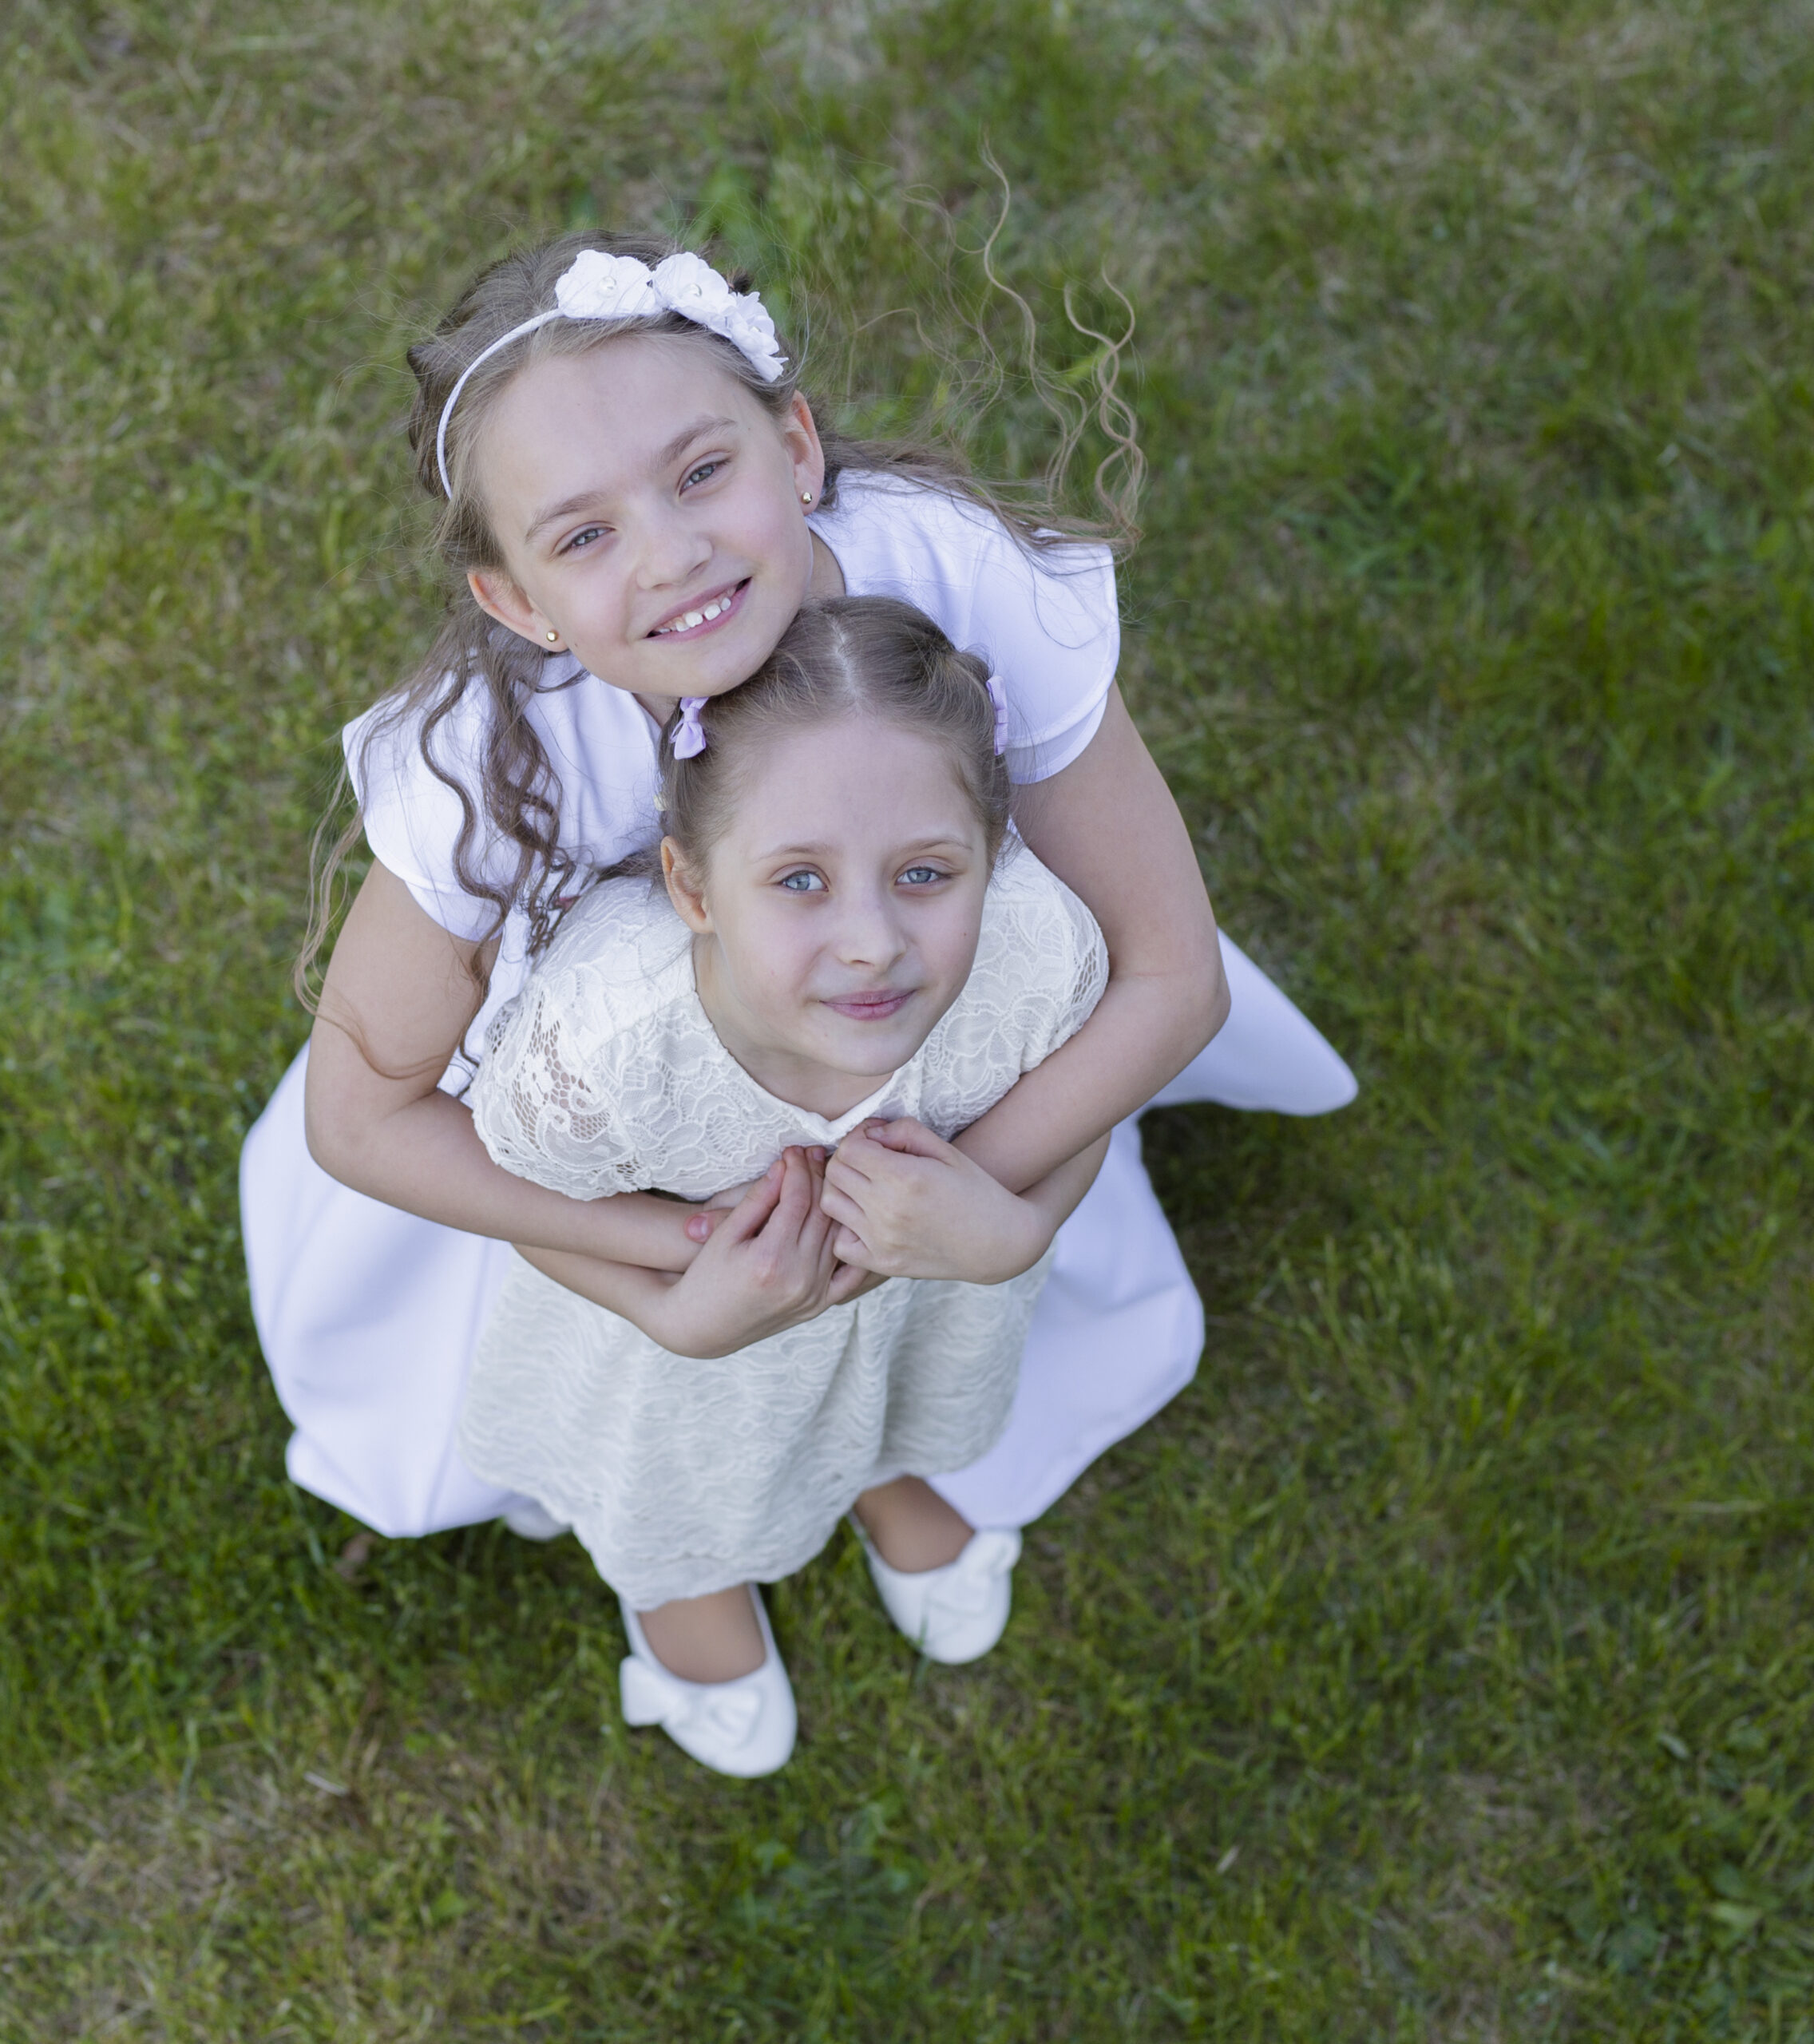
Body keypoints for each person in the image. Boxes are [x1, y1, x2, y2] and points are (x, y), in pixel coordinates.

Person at [239, 231, 1353, 1594]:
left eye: (701, 473)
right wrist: (678, 1275)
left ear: (799, 449)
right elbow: (363, 1119)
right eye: (585, 535)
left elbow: (1169, 973)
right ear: (519, 603)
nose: (673, 554)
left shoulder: (953, 575)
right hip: (627, 1130)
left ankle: (886, 1457)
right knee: (692, 1401)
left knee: (910, 1318)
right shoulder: (500, 768)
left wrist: (985, 1210)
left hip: (928, 1040)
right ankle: (690, 1579)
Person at [460, 596, 1109, 1774]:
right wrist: (674, 1300)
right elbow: (530, 1203)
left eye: (926, 872)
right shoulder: (608, 1049)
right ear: (693, 889)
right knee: (687, 1463)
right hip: (689, 1341)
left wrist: (1017, 1229)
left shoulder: (1032, 952)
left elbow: (1086, 1104)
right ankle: (683, 1580)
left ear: (996, 851)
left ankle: (880, 1473)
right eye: (800, 880)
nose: (871, 942)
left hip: (920, 1296)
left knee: (898, 1384)